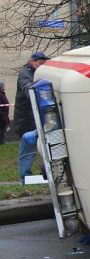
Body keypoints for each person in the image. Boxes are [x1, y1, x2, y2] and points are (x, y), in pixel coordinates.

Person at [14, 51, 50, 183]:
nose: (42, 66)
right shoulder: (25, 74)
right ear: (32, 62)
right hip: (26, 120)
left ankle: (43, 174)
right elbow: (28, 89)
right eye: (40, 63)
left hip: (37, 119)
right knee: (28, 147)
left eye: (44, 63)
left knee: (42, 147)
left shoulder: (39, 74)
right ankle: (25, 177)